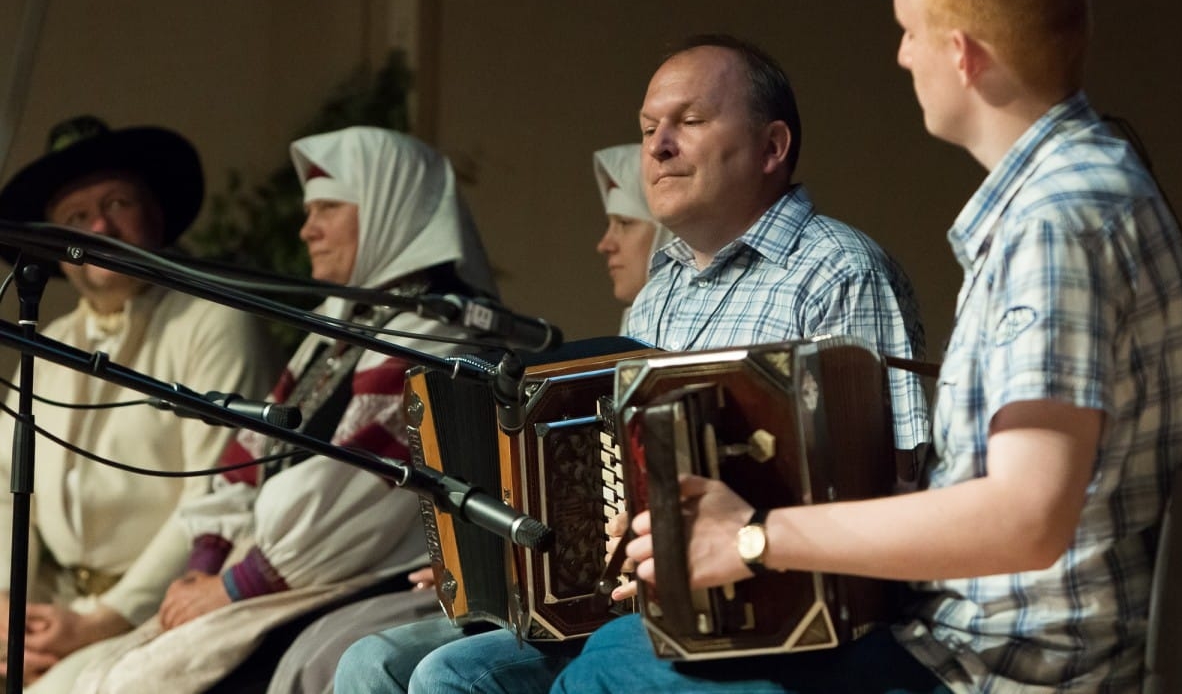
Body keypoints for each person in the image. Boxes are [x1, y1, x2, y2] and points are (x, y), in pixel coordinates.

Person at [551, 0, 1182, 693]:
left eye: (909, 31)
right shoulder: (1082, 191)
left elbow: (1028, 515)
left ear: (962, 53)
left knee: (607, 673)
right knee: (606, 656)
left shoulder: (1059, 218)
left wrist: (754, 537)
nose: (900, 56)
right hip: (973, 642)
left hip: (998, 667)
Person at [335, 34, 929, 693]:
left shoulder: (841, 273)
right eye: (649, 128)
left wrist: (753, 532)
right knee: (373, 662)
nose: (657, 146)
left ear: (773, 146)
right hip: (627, 600)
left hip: (765, 614)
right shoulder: (660, 289)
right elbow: (610, 469)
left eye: (690, 122)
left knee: (452, 675)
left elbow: (900, 481)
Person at [34, 127, 496, 694]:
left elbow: (350, 496)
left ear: (387, 209)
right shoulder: (338, 334)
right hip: (277, 577)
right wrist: (206, 561)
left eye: (328, 207)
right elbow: (245, 457)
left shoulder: (436, 341)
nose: (308, 229)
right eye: (308, 210)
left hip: (356, 583)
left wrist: (230, 586)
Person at [265, 142, 671, 694]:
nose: (604, 242)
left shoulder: (438, 337)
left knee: (348, 655)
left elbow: (338, 499)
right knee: (362, 656)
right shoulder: (334, 327)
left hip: (356, 569)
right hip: (530, 581)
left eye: (624, 223)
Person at [0, 116, 279, 686]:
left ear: (156, 213)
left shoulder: (214, 323)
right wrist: (6, 601)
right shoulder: (48, 343)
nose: (99, 225)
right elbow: (6, 487)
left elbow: (218, 493)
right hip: (50, 607)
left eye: (117, 202)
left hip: (167, 606)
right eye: (76, 217)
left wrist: (106, 617)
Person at [593, 143, 674, 330]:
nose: (604, 245)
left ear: (669, 232)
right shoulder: (639, 325)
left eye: (625, 223)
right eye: (609, 225)